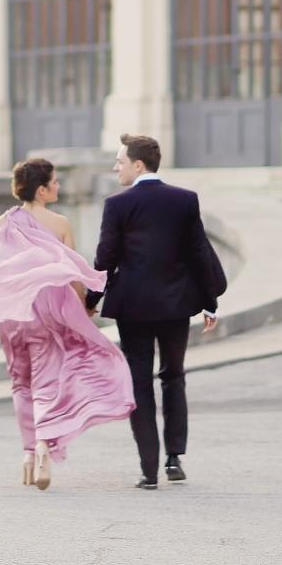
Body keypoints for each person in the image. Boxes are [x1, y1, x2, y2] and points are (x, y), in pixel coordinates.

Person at [0, 158, 134, 491]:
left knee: (21, 382)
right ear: (42, 188)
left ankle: (28, 455)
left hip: (11, 313)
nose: (59, 187)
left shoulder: (7, 222)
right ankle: (45, 447)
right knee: (47, 381)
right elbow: (74, 273)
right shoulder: (60, 223)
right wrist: (83, 308)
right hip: (47, 311)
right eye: (55, 182)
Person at [86, 133, 227, 489]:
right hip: (176, 305)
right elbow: (198, 252)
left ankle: (148, 469)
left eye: (120, 161)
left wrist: (89, 300)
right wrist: (209, 302)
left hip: (132, 307)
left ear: (138, 164)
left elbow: (106, 259)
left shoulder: (117, 205)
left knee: (139, 382)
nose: (116, 167)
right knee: (173, 376)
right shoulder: (184, 200)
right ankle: (174, 459)